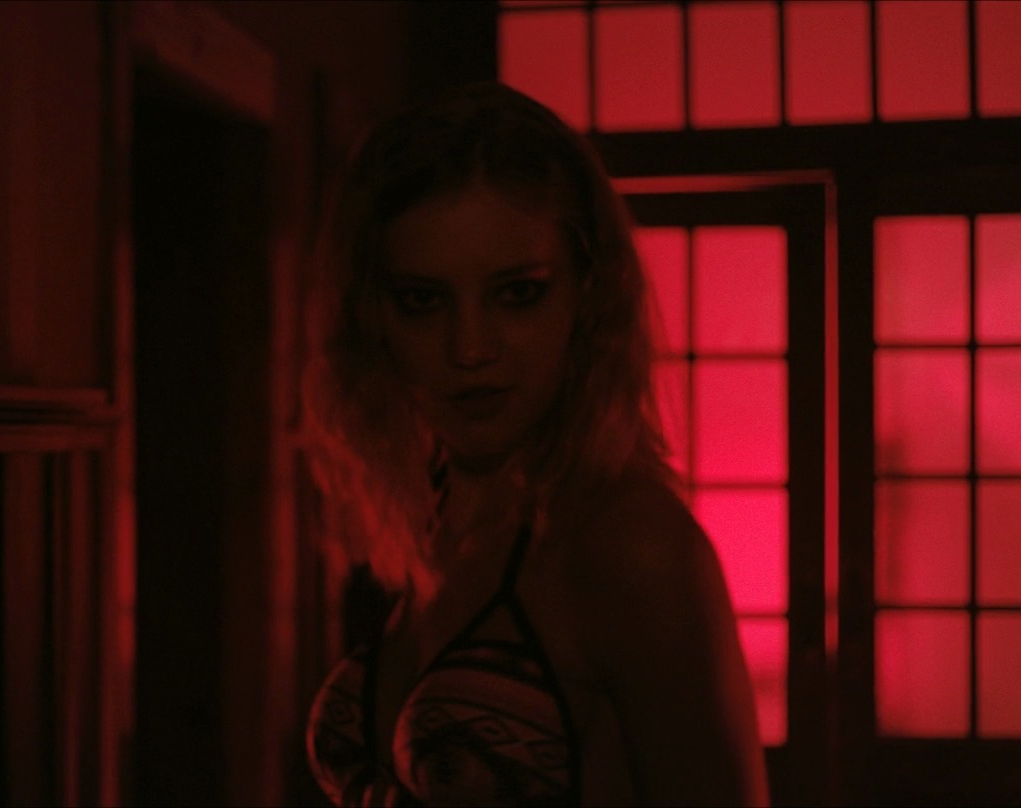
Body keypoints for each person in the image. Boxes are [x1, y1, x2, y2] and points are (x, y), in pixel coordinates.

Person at [299, 82, 768, 807]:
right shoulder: (431, 520)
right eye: (423, 300)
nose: (470, 347)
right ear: (373, 316)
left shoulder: (632, 547)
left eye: (517, 294)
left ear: (588, 293)